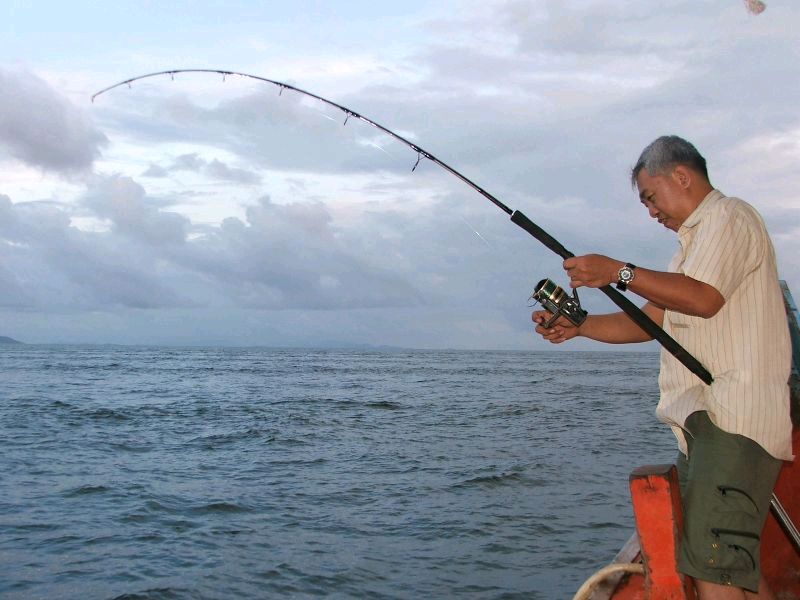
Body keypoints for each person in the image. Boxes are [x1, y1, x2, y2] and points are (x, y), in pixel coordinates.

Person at [532, 135, 793, 600]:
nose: (651, 211)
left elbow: (703, 299)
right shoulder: (691, 250)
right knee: (730, 565)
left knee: (715, 569)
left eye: (650, 197)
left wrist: (619, 272)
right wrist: (579, 326)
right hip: (706, 426)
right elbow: (651, 322)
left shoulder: (729, 217)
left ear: (681, 175)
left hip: (734, 421)